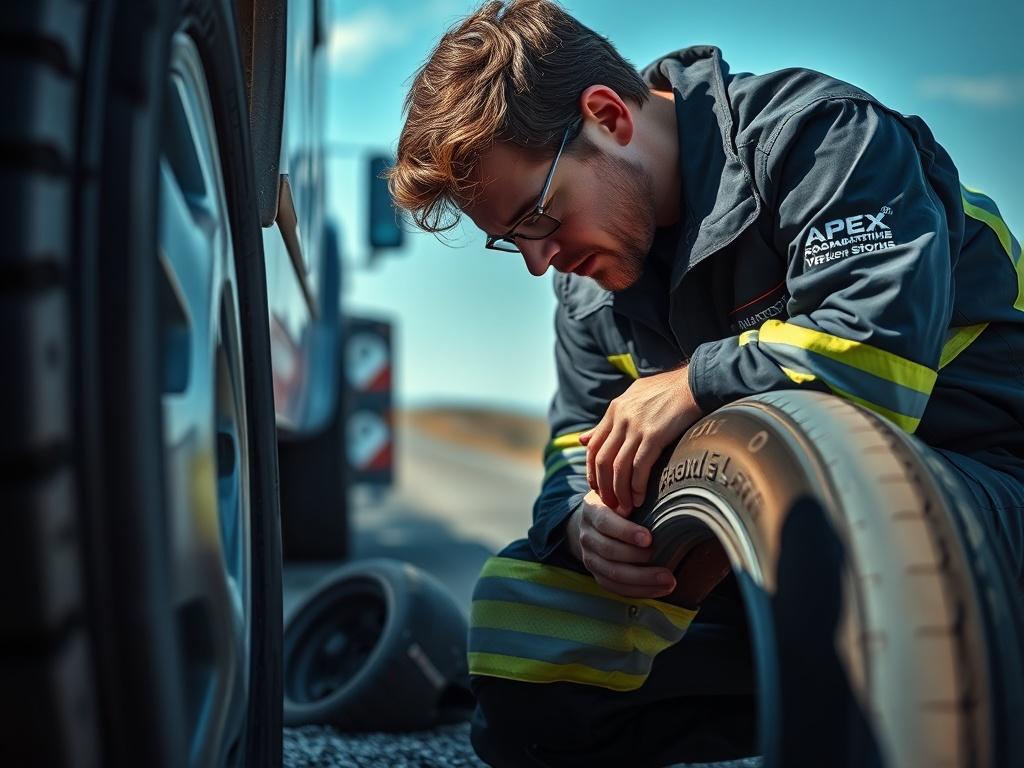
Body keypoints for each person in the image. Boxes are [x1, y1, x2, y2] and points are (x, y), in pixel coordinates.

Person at [387, 1, 1024, 764]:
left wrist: (693, 384)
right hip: (773, 548)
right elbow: (572, 442)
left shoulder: (817, 139)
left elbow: (873, 357)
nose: (538, 259)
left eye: (538, 216)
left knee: (821, 508)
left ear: (606, 117)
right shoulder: (590, 289)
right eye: (511, 240)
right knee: (523, 612)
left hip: (979, 487)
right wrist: (581, 524)